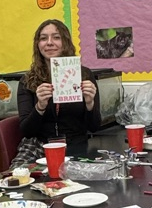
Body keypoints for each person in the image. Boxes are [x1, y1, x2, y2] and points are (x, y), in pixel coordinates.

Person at [17, 19, 101, 154]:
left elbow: (94, 127)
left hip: (76, 147)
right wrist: (40, 107)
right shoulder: (27, 80)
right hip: (40, 148)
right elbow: (27, 131)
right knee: (17, 175)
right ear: (38, 45)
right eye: (43, 38)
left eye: (56, 37)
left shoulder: (84, 75)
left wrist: (90, 103)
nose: (49, 43)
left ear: (65, 42)